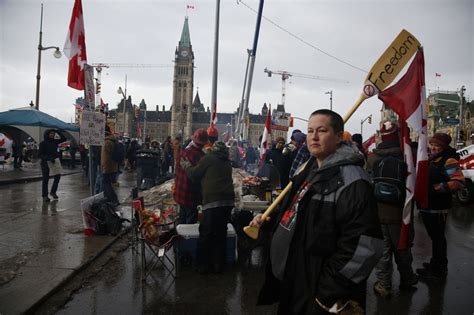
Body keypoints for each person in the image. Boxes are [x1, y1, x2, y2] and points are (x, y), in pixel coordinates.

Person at [251, 109, 383, 314]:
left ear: (339, 137)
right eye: (310, 130)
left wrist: (327, 292)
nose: (313, 136)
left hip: (318, 293)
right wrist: (269, 224)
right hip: (293, 281)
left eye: (321, 130)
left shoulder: (353, 181)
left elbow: (365, 246)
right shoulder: (306, 171)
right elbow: (295, 215)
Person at [366, 121, 418, 298]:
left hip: (378, 213)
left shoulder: (372, 157)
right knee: (402, 248)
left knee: (383, 252)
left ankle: (383, 284)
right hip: (400, 213)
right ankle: (407, 279)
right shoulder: (408, 156)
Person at [416, 133, 464, 280]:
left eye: (437, 145)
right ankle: (435, 263)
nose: (433, 147)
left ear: (444, 146)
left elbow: (458, 182)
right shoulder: (432, 159)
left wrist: (436, 188)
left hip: (438, 207)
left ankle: (439, 270)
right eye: (432, 144)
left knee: (438, 238)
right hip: (428, 205)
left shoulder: (448, 160)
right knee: (434, 237)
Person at [182, 141, 235, 274]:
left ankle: (202, 266)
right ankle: (218, 265)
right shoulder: (227, 161)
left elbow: (194, 175)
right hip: (227, 202)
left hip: (213, 202)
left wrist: (187, 166)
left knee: (206, 234)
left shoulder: (209, 158)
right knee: (220, 234)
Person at [174, 128, 208, 224]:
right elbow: (199, 177)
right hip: (191, 196)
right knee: (189, 224)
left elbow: (177, 171)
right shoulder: (201, 157)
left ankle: (179, 236)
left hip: (180, 193)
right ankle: (186, 238)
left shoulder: (184, 152)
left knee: (182, 218)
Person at [39, 129, 67, 202]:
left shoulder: (54, 142)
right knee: (45, 179)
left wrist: (57, 131)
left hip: (55, 162)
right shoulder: (43, 143)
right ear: (47, 134)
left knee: (57, 177)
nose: (52, 135)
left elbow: (64, 138)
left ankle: (53, 192)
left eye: (53, 134)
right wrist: (48, 158)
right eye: (51, 133)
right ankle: (45, 195)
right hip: (46, 163)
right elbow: (40, 155)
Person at [101, 126, 119, 205]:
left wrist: (104, 167)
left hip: (108, 167)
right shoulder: (113, 140)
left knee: (106, 184)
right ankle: (109, 199)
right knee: (107, 183)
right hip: (113, 166)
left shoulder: (107, 142)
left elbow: (105, 157)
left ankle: (113, 200)